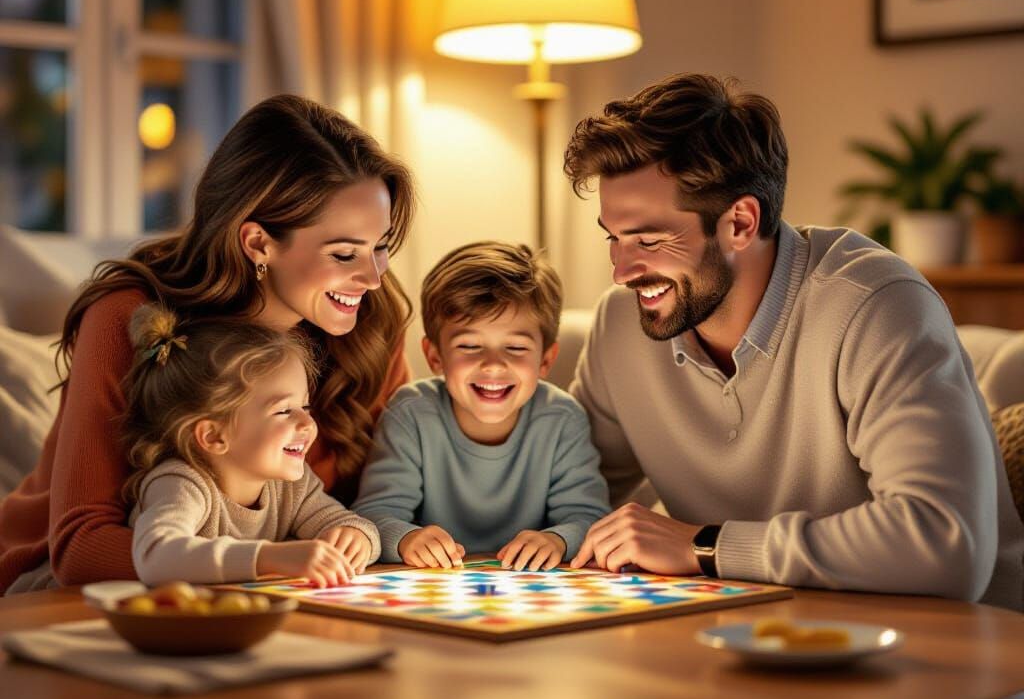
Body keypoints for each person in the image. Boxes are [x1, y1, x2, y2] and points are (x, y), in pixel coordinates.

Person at [563, 71, 1024, 699]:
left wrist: (707, 548)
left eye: (649, 238)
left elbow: (945, 545)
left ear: (740, 222)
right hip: (754, 687)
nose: (621, 271)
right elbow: (570, 494)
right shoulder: (623, 332)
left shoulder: (875, 306)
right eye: (614, 239)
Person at [0, 94, 414, 594]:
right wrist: (269, 562)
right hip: (63, 591)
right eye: (345, 253)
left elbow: (390, 506)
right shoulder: (129, 317)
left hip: (283, 594)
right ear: (258, 243)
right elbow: (81, 550)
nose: (371, 276)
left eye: (381, 246)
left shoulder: (369, 321)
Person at [354, 241, 610, 570]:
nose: (492, 365)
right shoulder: (411, 413)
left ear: (545, 360)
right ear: (435, 357)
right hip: (435, 587)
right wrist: (405, 539)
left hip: (531, 590)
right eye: (470, 345)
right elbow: (373, 516)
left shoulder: (562, 419)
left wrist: (558, 540)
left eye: (516, 347)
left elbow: (590, 518)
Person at [123, 305, 380, 587]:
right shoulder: (181, 482)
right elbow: (154, 557)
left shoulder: (292, 487)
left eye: (305, 406)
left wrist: (356, 538)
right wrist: (269, 558)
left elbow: (349, 523)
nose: (307, 423)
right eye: (283, 410)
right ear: (213, 436)